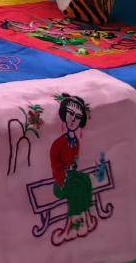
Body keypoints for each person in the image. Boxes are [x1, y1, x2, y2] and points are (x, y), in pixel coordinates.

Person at [48, 93, 96, 238]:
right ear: (64, 114)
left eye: (78, 117)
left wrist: (73, 168)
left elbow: (74, 162)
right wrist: (67, 171)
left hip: (71, 178)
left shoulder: (75, 141)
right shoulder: (58, 143)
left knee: (85, 180)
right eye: (70, 114)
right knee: (77, 186)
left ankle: (86, 218)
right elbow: (56, 167)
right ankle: (74, 225)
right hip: (60, 182)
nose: (73, 120)